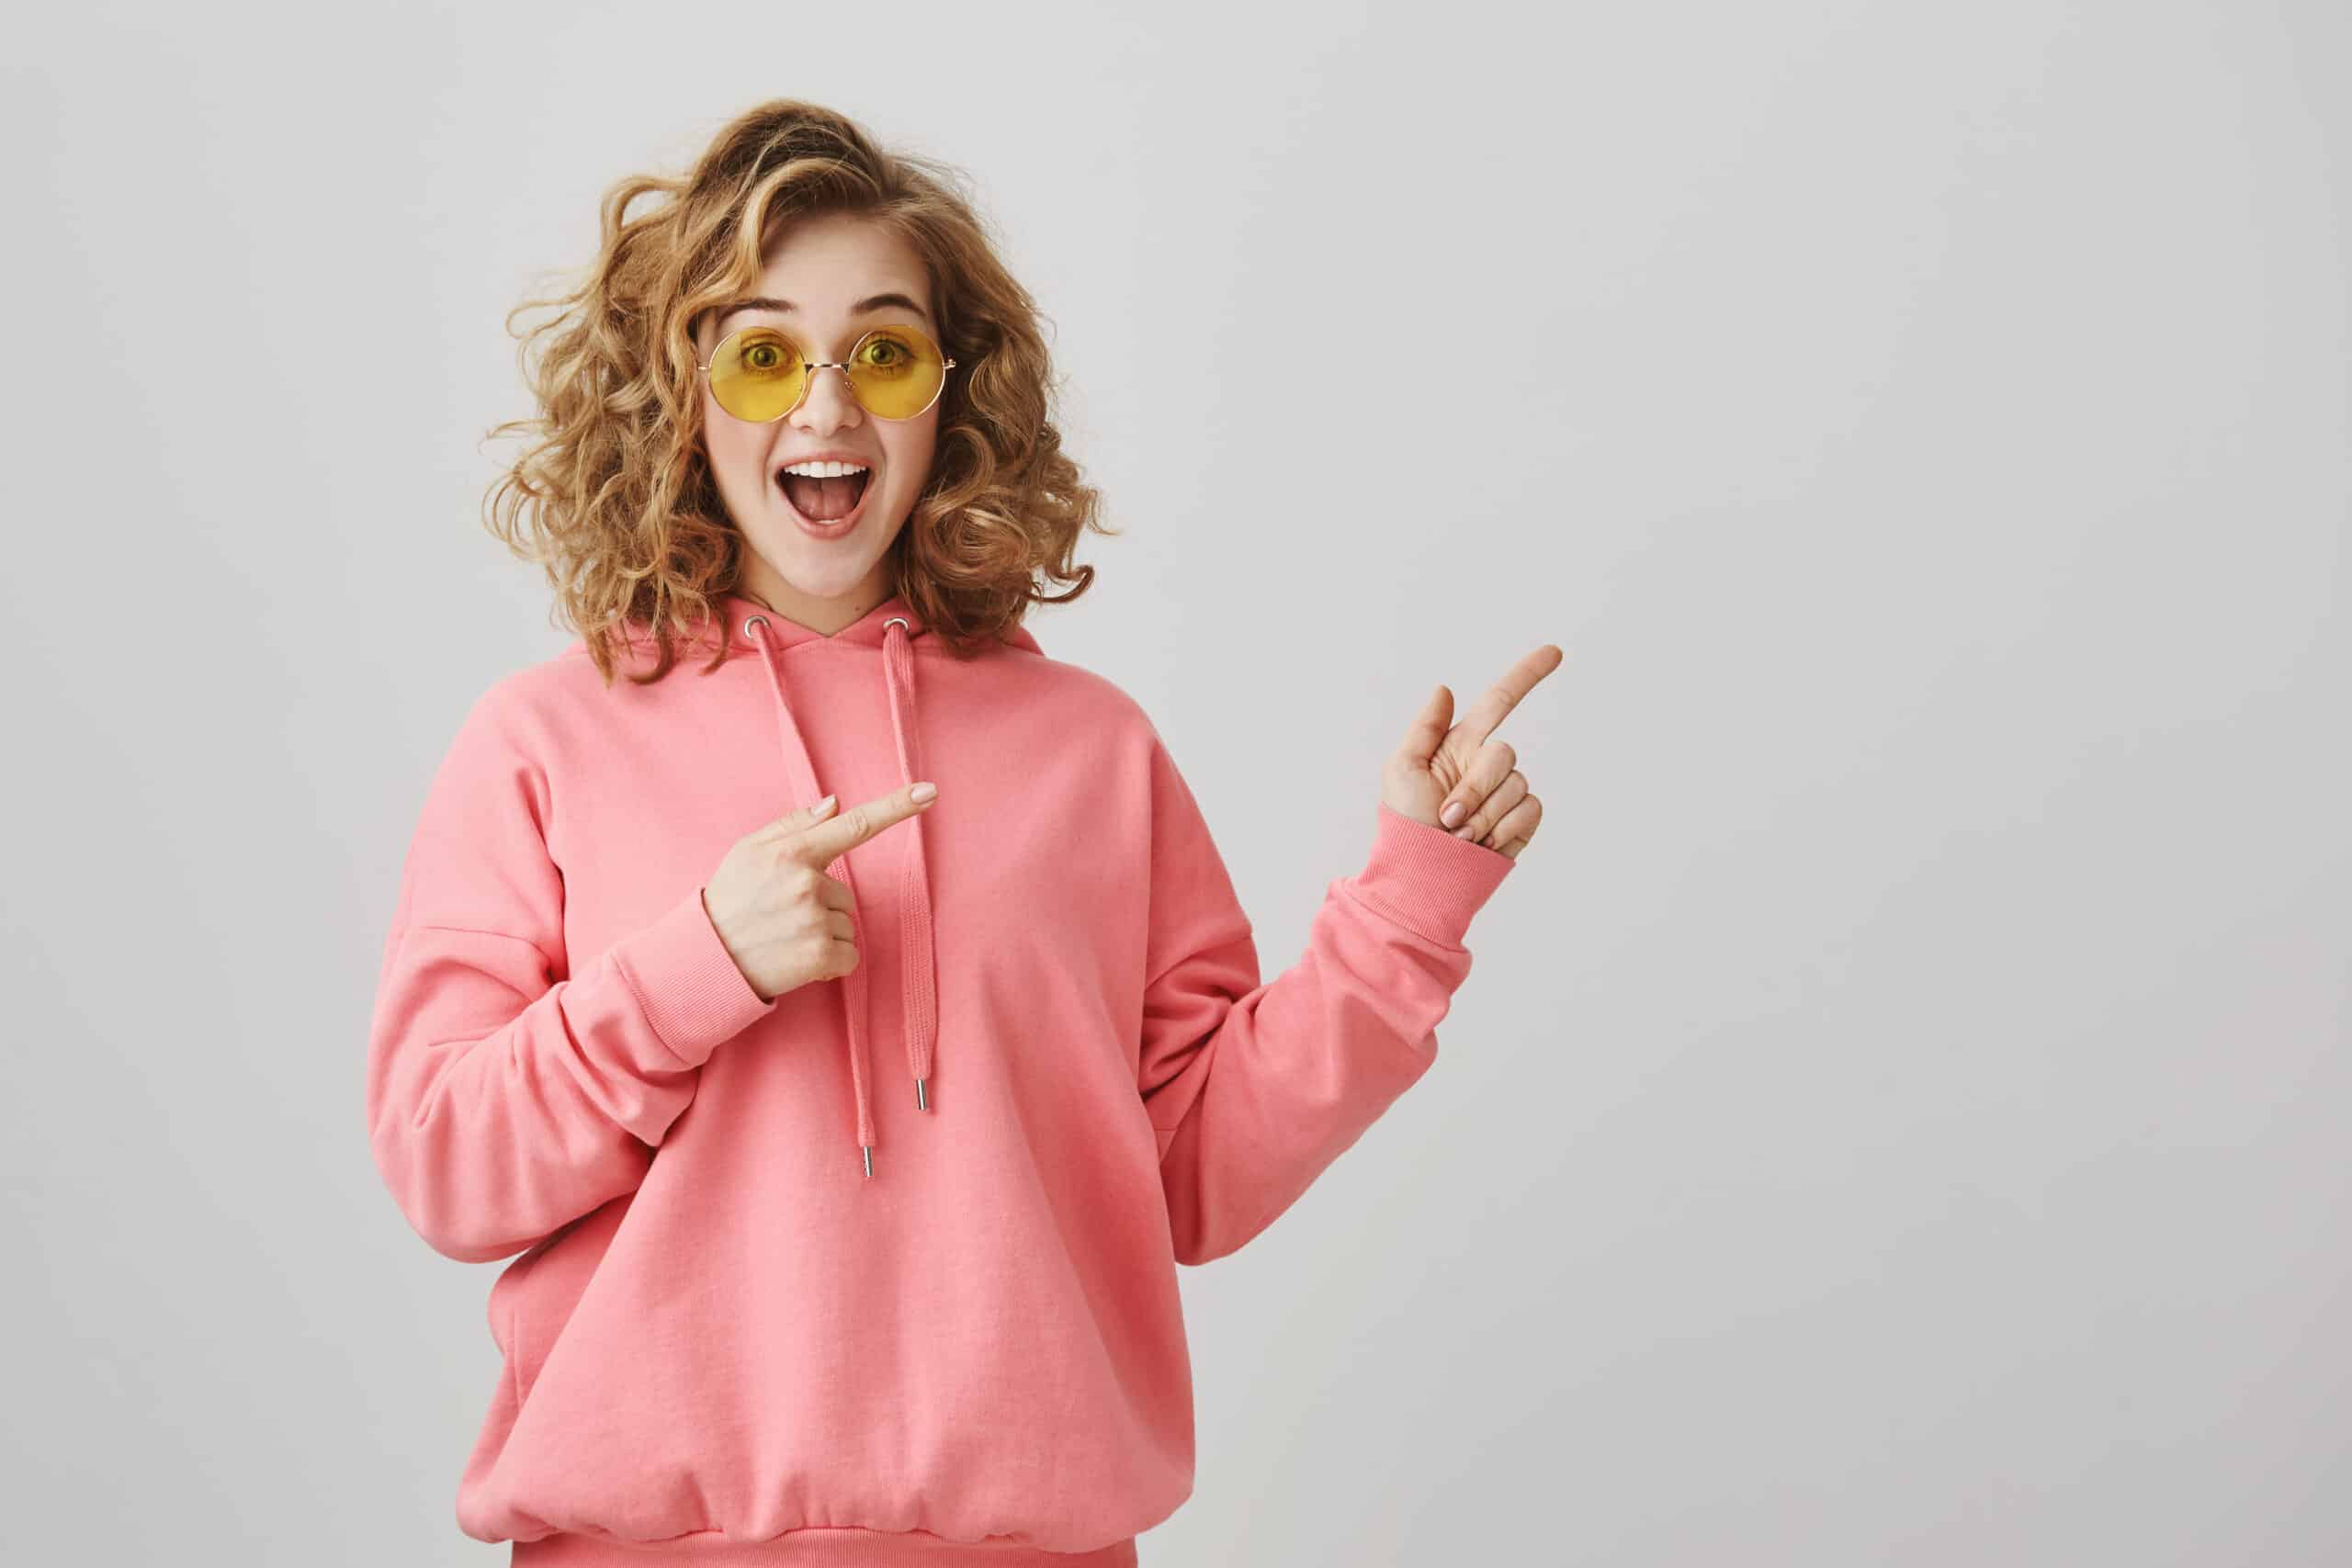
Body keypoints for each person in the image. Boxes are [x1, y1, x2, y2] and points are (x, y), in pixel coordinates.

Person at [364, 98, 1557, 1567]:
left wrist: (1410, 903)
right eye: (760, 354)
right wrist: (700, 966)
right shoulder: (544, 740)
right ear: (679, 396)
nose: (825, 409)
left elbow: (1189, 1172)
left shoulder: (1090, 751)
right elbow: (445, 1164)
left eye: (881, 351)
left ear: (952, 391)